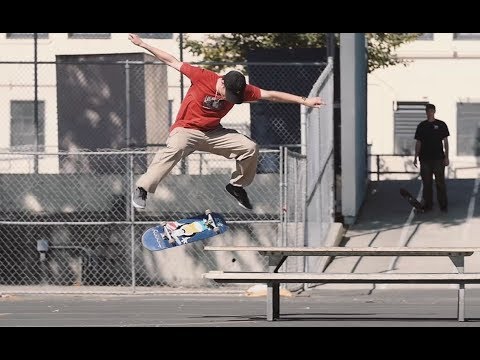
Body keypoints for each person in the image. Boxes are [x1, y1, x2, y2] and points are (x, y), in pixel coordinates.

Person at [128, 33, 326, 210]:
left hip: (214, 132)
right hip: (187, 130)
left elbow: (271, 95)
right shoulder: (202, 76)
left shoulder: (244, 90)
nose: (230, 99)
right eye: (228, 94)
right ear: (221, 82)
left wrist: (305, 100)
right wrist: (143, 44)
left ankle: (236, 186)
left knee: (249, 147)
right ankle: (142, 188)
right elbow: (170, 60)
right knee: (175, 147)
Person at [413, 103, 450, 212]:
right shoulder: (422, 126)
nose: (429, 113)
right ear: (426, 112)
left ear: (434, 111)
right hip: (424, 159)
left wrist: (446, 157)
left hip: (438, 159)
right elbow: (418, 142)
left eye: (431, 111)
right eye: (428, 111)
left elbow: (446, 142)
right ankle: (428, 205)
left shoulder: (441, 125)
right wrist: (415, 156)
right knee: (427, 183)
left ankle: (443, 205)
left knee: (440, 183)